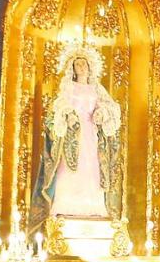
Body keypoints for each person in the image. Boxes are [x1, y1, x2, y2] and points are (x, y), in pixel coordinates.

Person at [31, 48, 123, 227]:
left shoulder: (96, 88)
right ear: (72, 68)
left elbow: (108, 106)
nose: (81, 67)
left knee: (92, 168)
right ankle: (66, 205)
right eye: (77, 64)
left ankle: (92, 206)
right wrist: (68, 114)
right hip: (73, 135)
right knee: (70, 168)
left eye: (83, 64)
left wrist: (101, 113)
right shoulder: (69, 87)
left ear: (90, 67)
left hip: (90, 133)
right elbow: (60, 104)